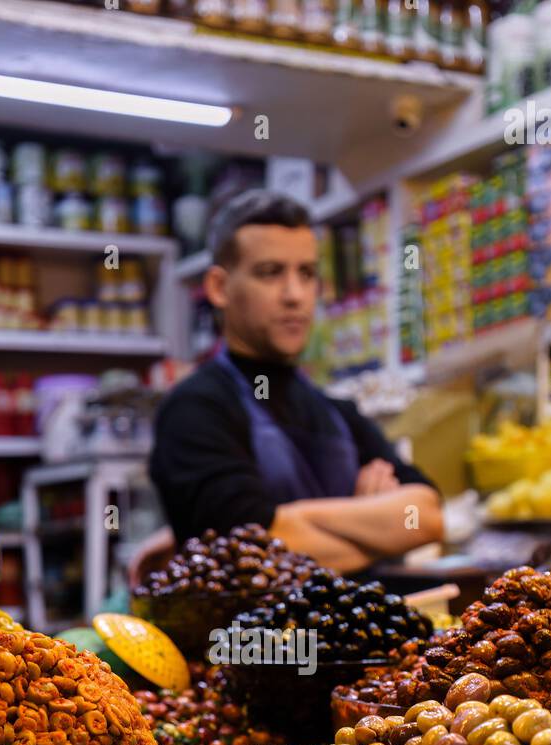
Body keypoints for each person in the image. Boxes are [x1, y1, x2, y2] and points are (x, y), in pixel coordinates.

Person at [148, 189, 442, 573]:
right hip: (249, 636)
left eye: (306, 273)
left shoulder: (337, 411)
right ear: (219, 288)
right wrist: (373, 526)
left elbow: (427, 517)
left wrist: (293, 523)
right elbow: (251, 559)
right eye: (271, 273)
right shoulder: (193, 411)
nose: (295, 295)